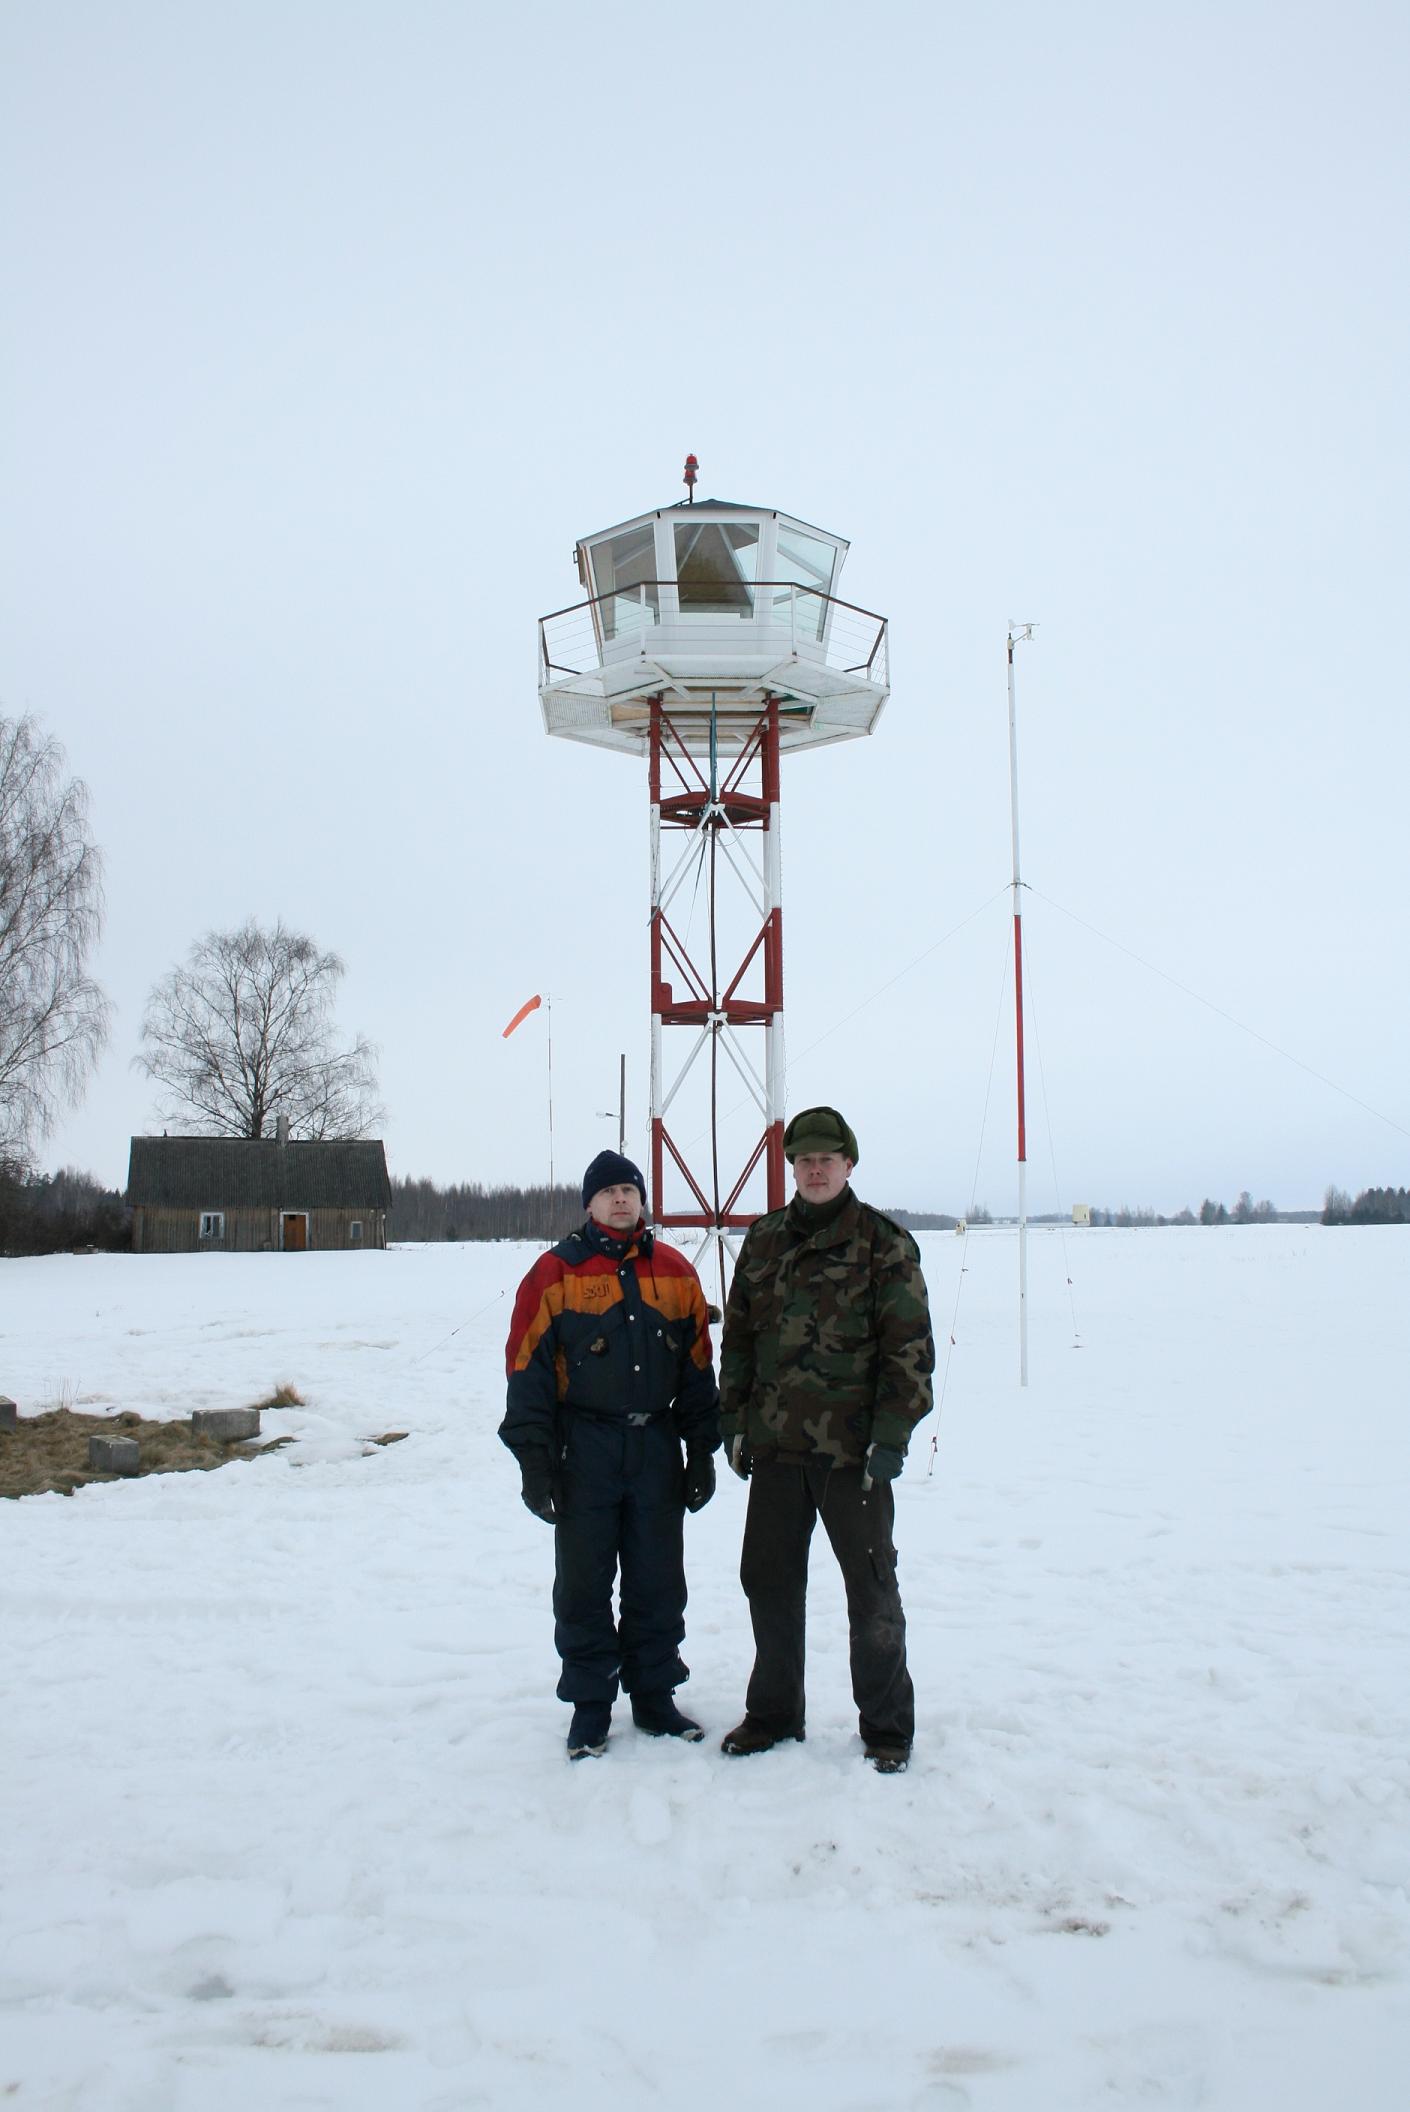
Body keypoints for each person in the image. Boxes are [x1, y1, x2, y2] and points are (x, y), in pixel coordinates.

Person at [718, 1106, 935, 1773]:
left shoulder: (883, 1244)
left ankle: (887, 1728)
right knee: (769, 1584)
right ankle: (775, 1714)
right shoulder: (764, 1241)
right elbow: (741, 1342)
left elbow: (910, 1354)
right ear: (792, 1168)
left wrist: (892, 1438)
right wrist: (734, 1423)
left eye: (826, 1161)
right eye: (804, 1161)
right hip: (778, 1451)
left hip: (855, 1458)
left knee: (872, 1591)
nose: (815, 1171)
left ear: (848, 1165)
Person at [500, 1149, 720, 1759]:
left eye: (630, 1190)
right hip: (585, 1451)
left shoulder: (676, 1271)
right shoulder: (554, 1274)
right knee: (583, 1584)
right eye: (608, 1192)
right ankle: (591, 1706)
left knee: (656, 1581)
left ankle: (654, 1697)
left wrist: (701, 1450)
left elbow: (699, 1369)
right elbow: (528, 1373)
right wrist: (535, 1462)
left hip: (655, 1449)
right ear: (589, 1203)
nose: (621, 1200)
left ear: (642, 1201)